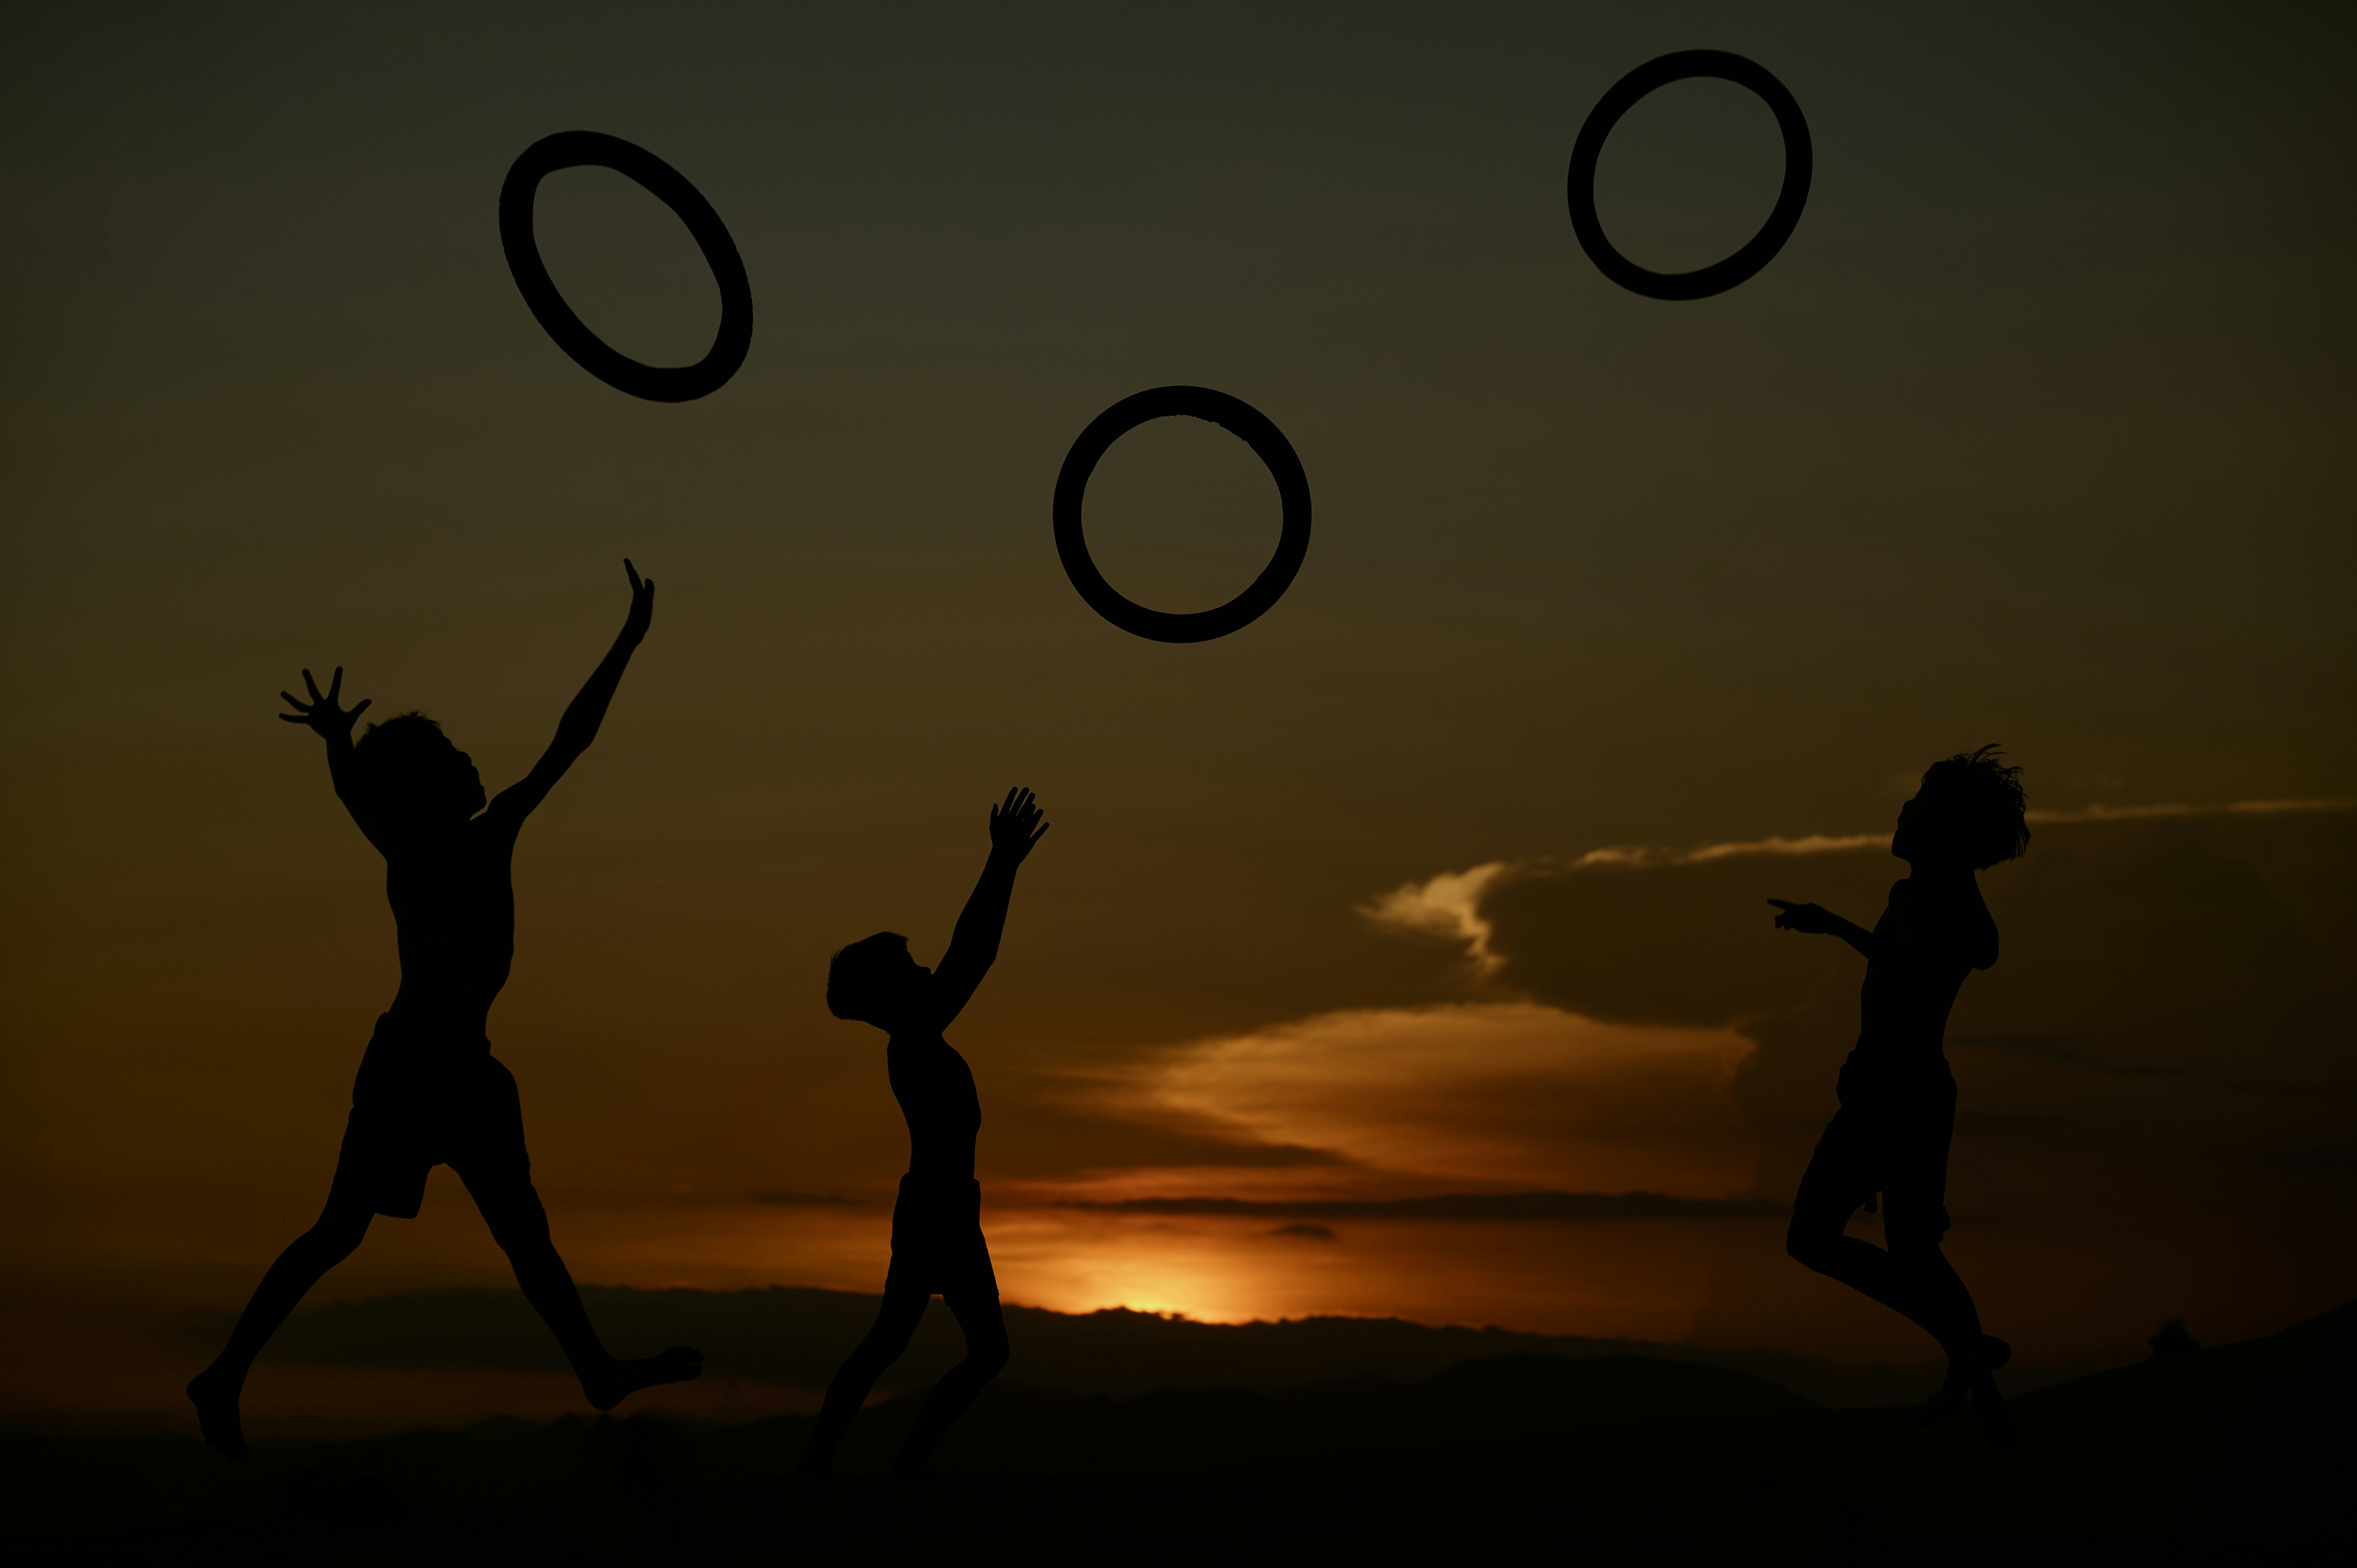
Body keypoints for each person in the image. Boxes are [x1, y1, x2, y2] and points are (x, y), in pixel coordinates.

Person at [186, 561, 701, 1462]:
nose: (472, 761)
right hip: (416, 1067)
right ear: (428, 788)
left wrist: (337, 743)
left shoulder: (441, 840)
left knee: (516, 1234)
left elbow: (372, 787)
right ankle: (225, 1374)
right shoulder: (440, 845)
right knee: (345, 1231)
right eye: (454, 757)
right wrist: (626, 641)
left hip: (461, 1067)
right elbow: (566, 741)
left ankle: (595, 1368)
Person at [1768, 745, 2028, 1447]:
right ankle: (1985, 1399)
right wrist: (1838, 926)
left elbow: (1933, 961)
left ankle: (1963, 1346)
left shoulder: (1921, 896)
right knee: (1915, 1252)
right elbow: (1963, 952)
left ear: (1942, 827)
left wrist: (1839, 926)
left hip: (1893, 1093)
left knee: (1812, 1238)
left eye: (1916, 806)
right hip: (1915, 1091)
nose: (1902, 814)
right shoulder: (1940, 895)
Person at [796, 787, 1050, 1479]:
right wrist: (1002, 866)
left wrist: (1003, 866)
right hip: (939, 1207)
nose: (926, 969)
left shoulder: (917, 1040)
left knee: (903, 1344)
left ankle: (848, 1467)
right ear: (890, 992)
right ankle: (876, 1469)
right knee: (957, 1350)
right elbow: (972, 956)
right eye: (911, 968)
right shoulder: (913, 1040)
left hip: (943, 1205)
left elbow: (965, 960)